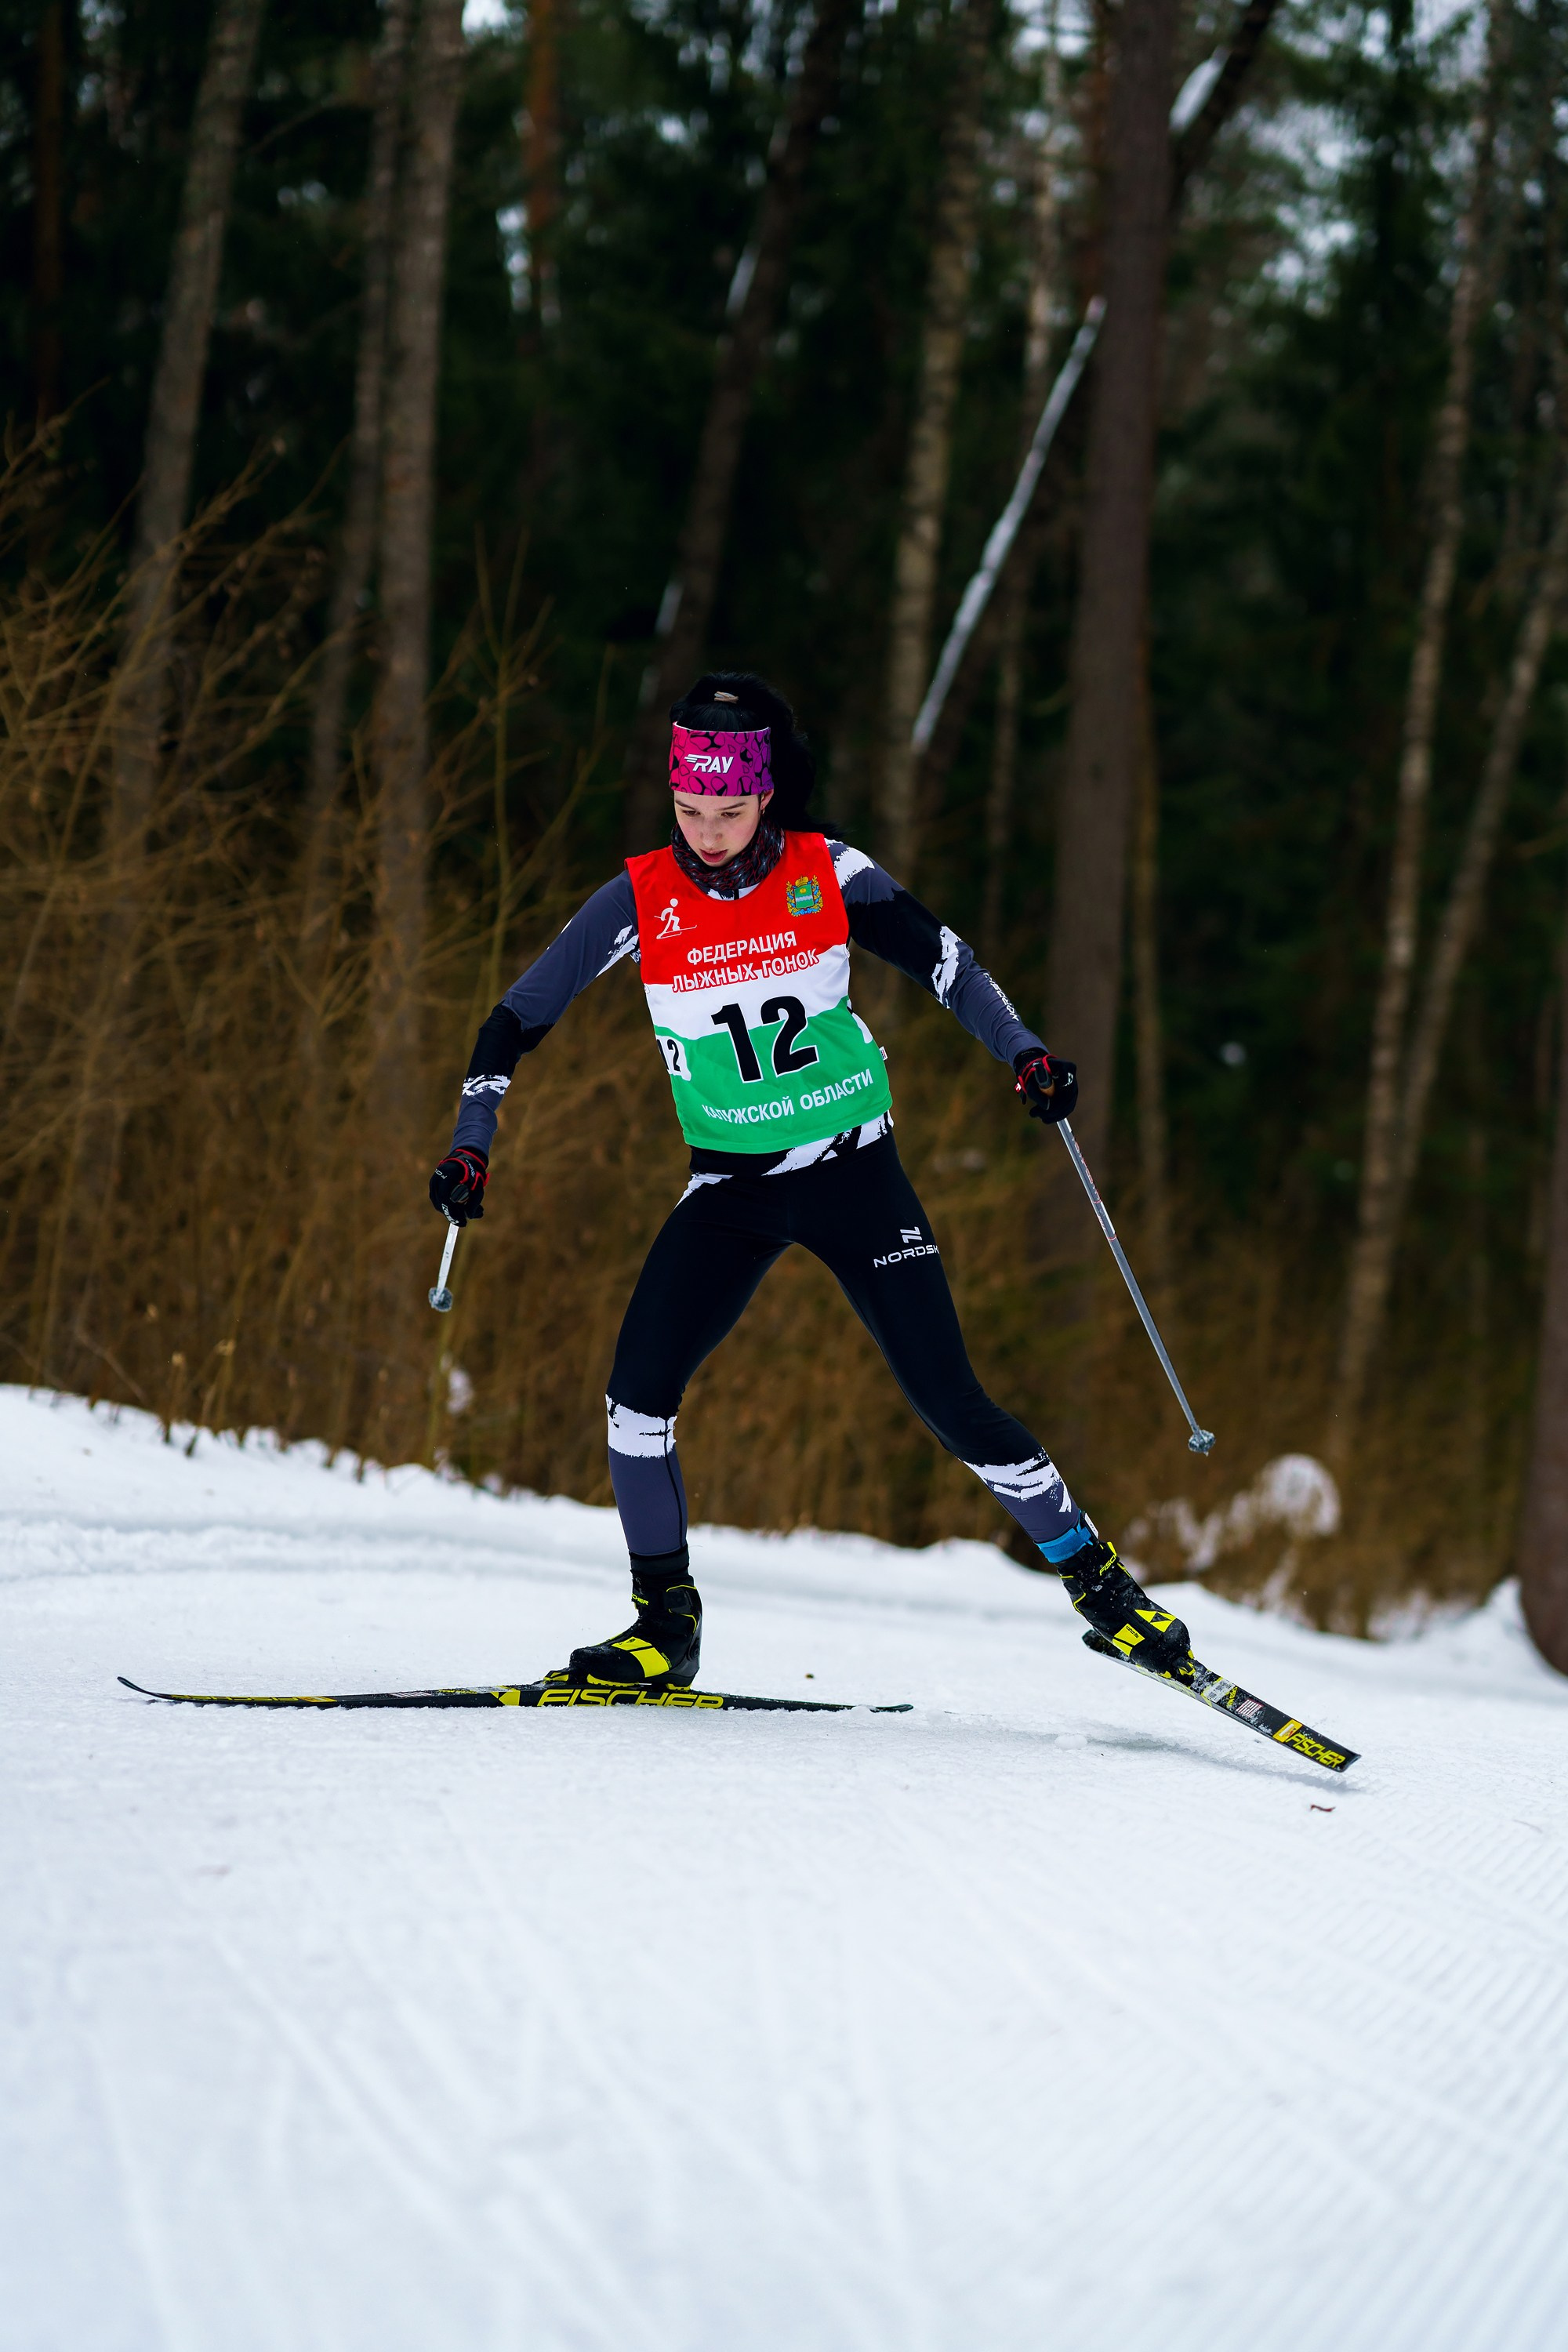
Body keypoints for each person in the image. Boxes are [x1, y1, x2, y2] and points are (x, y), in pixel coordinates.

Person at [430, 673, 1189, 1691]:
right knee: (635, 1400)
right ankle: (665, 1625)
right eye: (688, 810)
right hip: (730, 1191)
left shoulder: (829, 872)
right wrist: (472, 1142)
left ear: (766, 796)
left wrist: (1025, 1053)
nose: (706, 833)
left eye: (728, 811)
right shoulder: (640, 896)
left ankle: (1101, 1587)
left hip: (853, 1174)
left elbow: (948, 965)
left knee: (952, 1401)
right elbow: (513, 1021)